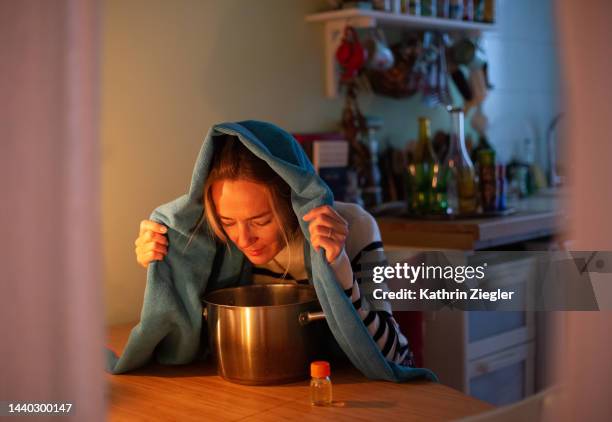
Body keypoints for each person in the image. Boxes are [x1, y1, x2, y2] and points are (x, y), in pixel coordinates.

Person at [134, 134, 415, 366]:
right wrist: (167, 264)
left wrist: (339, 268)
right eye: (227, 221)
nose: (243, 239)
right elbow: (187, 344)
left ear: (293, 203)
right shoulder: (213, 244)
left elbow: (393, 356)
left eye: (261, 221)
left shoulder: (355, 226)